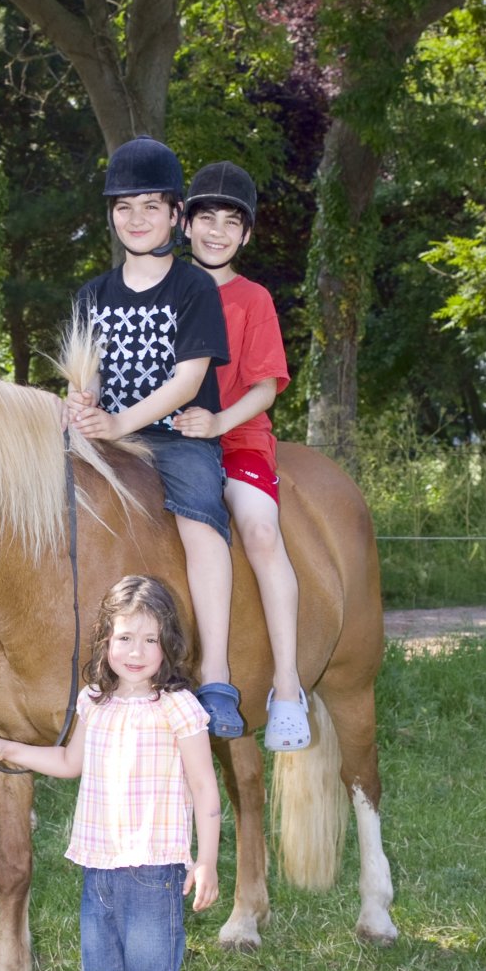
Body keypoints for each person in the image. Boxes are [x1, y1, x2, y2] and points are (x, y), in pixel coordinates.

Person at [0, 575, 221, 971]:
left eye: (150, 641)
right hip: (99, 866)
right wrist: (4, 746)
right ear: (105, 639)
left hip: (154, 867)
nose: (136, 652)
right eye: (125, 638)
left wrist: (208, 860)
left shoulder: (177, 706)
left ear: (168, 644)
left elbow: (205, 789)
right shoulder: (95, 701)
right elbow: (66, 763)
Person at [66, 136, 243, 739]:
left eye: (150, 206)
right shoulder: (92, 294)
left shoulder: (193, 288)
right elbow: (85, 373)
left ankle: (216, 674)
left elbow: (189, 378)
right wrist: (84, 405)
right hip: (108, 435)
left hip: (173, 436)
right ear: (111, 216)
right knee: (24, 484)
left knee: (201, 516)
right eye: (124, 207)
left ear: (175, 216)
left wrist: (121, 422)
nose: (136, 219)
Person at [179, 161, 310, 750]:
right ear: (185, 223)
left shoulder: (253, 299)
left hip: (237, 435)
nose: (217, 231)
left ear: (247, 235)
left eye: (232, 223)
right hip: (167, 433)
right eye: (207, 218)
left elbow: (264, 385)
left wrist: (218, 423)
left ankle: (286, 687)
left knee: (257, 530)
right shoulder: (164, 289)